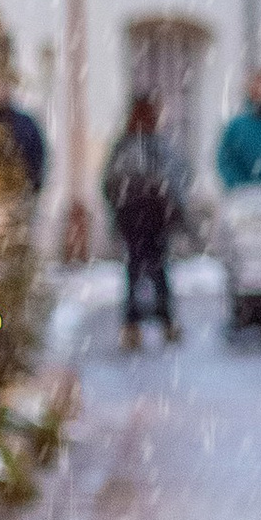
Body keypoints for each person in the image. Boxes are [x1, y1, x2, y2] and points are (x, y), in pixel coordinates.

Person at [101, 92, 187, 352]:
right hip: (152, 216)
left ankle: (135, 323)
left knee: (137, 268)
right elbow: (175, 179)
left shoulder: (126, 146)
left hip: (134, 216)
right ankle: (162, 320)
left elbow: (109, 181)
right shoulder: (154, 146)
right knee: (156, 268)